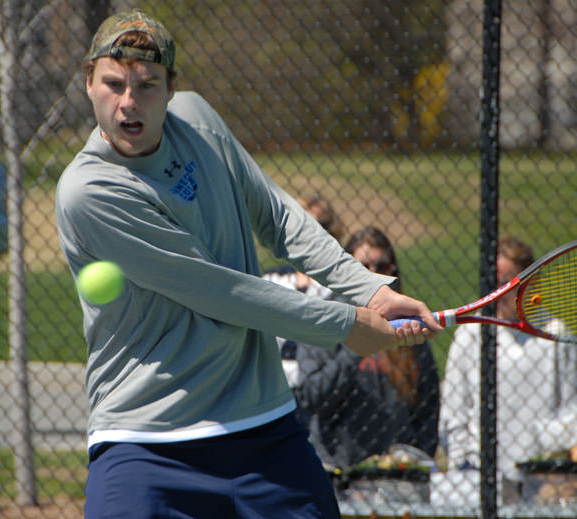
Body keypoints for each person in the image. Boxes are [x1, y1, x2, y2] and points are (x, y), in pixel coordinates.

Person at [54, 10, 439, 519]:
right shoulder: (89, 191)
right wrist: (346, 324)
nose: (128, 101)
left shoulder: (197, 120)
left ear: (171, 88)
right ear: (88, 82)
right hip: (145, 441)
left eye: (147, 85)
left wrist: (369, 290)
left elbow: (276, 215)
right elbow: (218, 291)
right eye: (113, 83)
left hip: (262, 430)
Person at [438, 236, 577, 500]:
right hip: (481, 475)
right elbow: (454, 414)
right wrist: (464, 468)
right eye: (493, 283)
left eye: (506, 284)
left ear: (530, 284)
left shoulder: (557, 335)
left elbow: (572, 411)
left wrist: (555, 467)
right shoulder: (470, 335)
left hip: (543, 479)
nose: (498, 292)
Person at [286, 226, 440, 468]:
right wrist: (357, 337)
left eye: (382, 267)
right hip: (339, 469)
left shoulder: (406, 326)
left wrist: (415, 457)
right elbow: (313, 397)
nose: (374, 274)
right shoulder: (325, 319)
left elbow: (428, 403)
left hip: (397, 472)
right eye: (363, 267)